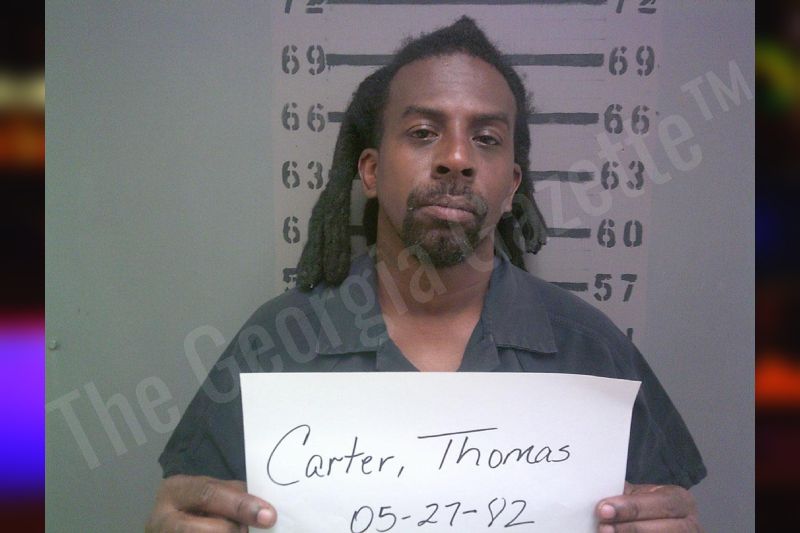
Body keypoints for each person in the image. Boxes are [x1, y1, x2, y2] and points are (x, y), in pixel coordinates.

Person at [147, 17, 706, 532]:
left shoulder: (593, 353)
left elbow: (660, 507)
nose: (456, 158)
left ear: (512, 187)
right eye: (422, 132)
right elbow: (198, 507)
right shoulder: (274, 345)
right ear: (370, 171)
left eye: (486, 138)